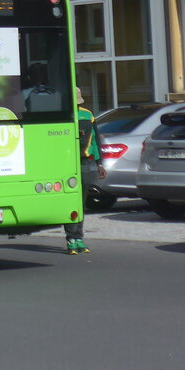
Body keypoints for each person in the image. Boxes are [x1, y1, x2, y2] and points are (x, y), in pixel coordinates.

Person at [65, 87, 105, 254]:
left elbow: (95, 139)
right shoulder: (86, 115)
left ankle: (75, 238)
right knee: (77, 203)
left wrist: (99, 163)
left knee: (75, 203)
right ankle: (75, 238)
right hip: (81, 164)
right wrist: (99, 163)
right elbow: (96, 141)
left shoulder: (80, 115)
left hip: (75, 164)